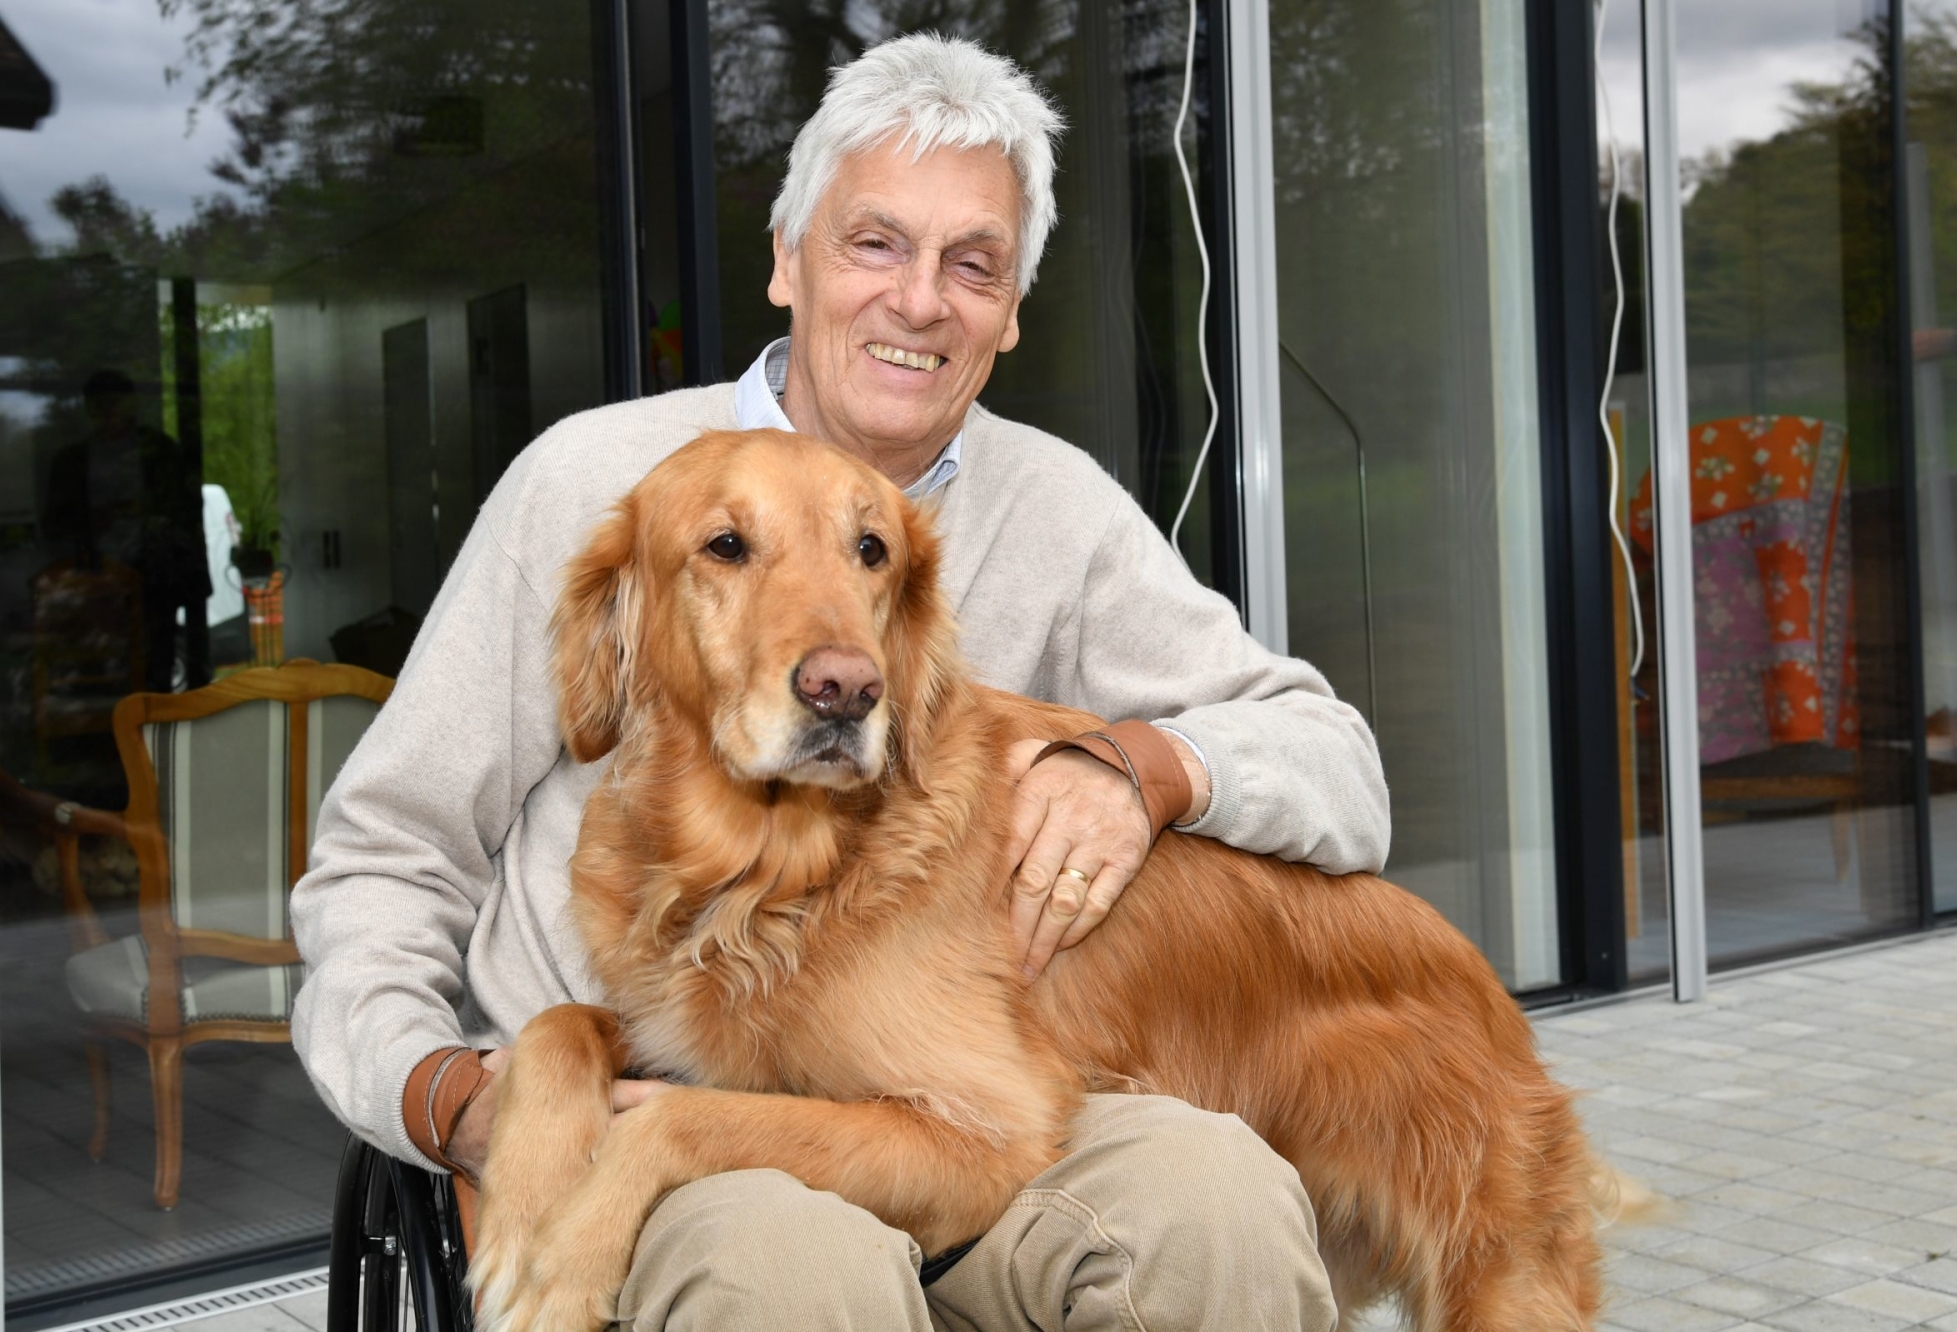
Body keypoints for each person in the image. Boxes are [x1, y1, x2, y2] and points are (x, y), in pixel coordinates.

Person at [293, 33, 1388, 1331]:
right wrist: (439, 1093)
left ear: (1011, 310)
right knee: (793, 1269)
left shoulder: (1059, 511)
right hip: (649, 1106)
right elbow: (383, 860)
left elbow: (1336, 765)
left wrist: (1148, 770)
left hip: (936, 1111)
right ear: (787, 259)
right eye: (875, 243)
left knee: (1219, 1200)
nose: (921, 301)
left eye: (972, 264)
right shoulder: (592, 486)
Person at [42, 369, 212, 691]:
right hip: (94, 586)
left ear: (132, 405)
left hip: (155, 583)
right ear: (89, 410)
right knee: (104, 674)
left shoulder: (160, 453)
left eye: (115, 405)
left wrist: (150, 519)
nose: (108, 415)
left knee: (154, 668)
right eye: (99, 407)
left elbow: (186, 514)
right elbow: (54, 526)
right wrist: (95, 522)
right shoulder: (73, 461)